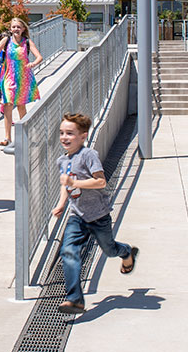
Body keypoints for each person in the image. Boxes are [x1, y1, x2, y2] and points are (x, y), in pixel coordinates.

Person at [51, 112, 138, 314]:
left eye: (70, 133)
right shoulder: (61, 161)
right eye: (62, 133)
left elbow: (100, 181)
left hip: (98, 216)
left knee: (109, 250)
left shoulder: (88, 155)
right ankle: (75, 300)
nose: (64, 137)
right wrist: (62, 204)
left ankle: (126, 251)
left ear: (83, 136)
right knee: (69, 251)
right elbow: (65, 185)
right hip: (77, 216)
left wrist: (75, 183)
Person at [0, 18, 42, 148]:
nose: (16, 29)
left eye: (18, 27)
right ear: (10, 29)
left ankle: (25, 135)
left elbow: (39, 56)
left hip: (23, 78)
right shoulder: (6, 41)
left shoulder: (27, 42)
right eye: (13, 27)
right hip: (8, 77)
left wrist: (33, 63)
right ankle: (7, 138)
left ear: (23, 29)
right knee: (8, 104)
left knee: (21, 106)